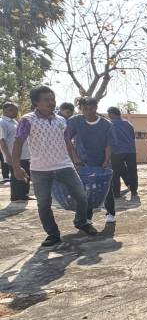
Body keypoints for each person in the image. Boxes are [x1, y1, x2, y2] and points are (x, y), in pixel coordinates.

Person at [12, 86, 96, 246]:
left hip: (64, 166)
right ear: (36, 102)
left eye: (52, 99)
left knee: (82, 196)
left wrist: (75, 160)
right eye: (46, 100)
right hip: (40, 170)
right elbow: (18, 143)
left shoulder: (61, 120)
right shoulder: (27, 120)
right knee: (43, 204)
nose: (51, 102)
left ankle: (81, 221)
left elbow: (67, 142)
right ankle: (53, 234)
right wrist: (16, 167)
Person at [66, 97, 117, 223]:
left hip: (101, 162)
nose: (88, 111)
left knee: (106, 188)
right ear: (81, 109)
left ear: (96, 107)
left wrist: (106, 160)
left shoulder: (106, 124)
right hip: (82, 162)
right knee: (85, 189)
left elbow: (109, 144)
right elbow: (66, 139)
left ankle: (110, 212)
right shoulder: (75, 121)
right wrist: (74, 157)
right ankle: (87, 216)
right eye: (85, 109)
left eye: (91, 108)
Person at [106, 107, 139, 200]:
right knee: (132, 171)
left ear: (112, 114)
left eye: (109, 114)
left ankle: (116, 193)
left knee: (115, 173)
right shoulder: (128, 123)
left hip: (117, 151)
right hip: (131, 150)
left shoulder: (110, 124)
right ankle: (134, 191)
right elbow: (133, 136)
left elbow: (108, 138)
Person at [1, 102, 30, 201]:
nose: (16, 112)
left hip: (24, 154)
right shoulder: (2, 122)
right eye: (13, 110)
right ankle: (16, 196)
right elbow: (2, 140)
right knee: (16, 175)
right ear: (5, 110)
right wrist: (7, 156)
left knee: (25, 172)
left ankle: (23, 195)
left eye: (16, 110)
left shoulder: (14, 121)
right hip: (13, 155)